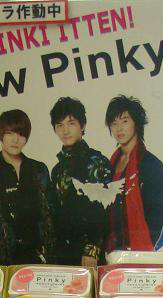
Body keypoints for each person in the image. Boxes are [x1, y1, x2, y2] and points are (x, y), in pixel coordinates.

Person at [0, 109, 56, 265]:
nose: (15, 140)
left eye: (21, 134)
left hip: (38, 256)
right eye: (10, 133)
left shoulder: (39, 170)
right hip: (2, 259)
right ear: (0, 135)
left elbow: (51, 214)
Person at [49, 97, 113, 267]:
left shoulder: (97, 162)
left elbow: (106, 209)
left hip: (89, 254)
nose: (65, 130)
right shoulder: (57, 169)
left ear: (82, 125)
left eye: (71, 123)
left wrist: (92, 249)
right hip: (62, 253)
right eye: (59, 125)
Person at [104, 95, 163, 253]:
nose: (119, 128)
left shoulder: (151, 164)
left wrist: (143, 246)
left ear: (136, 123)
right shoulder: (110, 164)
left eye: (125, 121)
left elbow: (157, 212)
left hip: (138, 250)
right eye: (114, 123)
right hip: (112, 250)